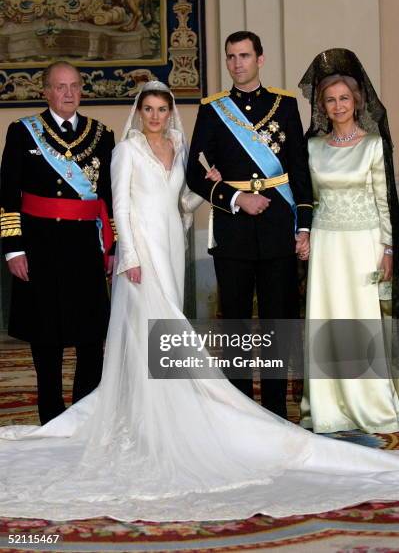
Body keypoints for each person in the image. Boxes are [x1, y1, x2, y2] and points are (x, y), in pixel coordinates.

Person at [1, 81, 399, 523]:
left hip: (171, 246)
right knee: (152, 329)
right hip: (143, 252)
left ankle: (163, 407)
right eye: (149, 109)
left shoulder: (177, 149)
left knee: (162, 327)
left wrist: (207, 185)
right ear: (139, 112)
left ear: (171, 114)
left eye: (162, 110)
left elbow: (184, 203)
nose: (155, 116)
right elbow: (120, 209)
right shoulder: (126, 151)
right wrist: (128, 255)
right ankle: (148, 417)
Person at [186, 31, 313, 418]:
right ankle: (242, 414)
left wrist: (304, 226)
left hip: (278, 229)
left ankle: (275, 413)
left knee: (278, 323)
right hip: (233, 231)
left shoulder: (285, 105)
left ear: (260, 58)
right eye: (230, 57)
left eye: (244, 55)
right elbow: (194, 173)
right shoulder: (213, 109)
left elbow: (300, 172)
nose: (236, 63)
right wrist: (237, 198)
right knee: (236, 324)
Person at [0, 61, 115, 425]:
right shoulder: (22, 132)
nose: (68, 94)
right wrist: (13, 248)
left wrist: (111, 246)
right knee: (45, 335)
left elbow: (108, 198)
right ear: (45, 91)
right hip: (39, 246)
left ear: (82, 90)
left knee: (90, 335)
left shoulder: (101, 135)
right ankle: (51, 416)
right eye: (60, 87)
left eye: (75, 86)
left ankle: (85, 413)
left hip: (85, 247)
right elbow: (7, 195)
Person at [298, 48, 399, 433]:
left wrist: (388, 248)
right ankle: (327, 405)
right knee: (327, 318)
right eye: (330, 99)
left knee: (361, 319)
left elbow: (383, 201)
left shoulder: (374, 145)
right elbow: (309, 199)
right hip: (327, 245)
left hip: (364, 245)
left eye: (343, 98)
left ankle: (369, 401)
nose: (337, 105)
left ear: (356, 101)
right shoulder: (313, 147)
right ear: (322, 105)